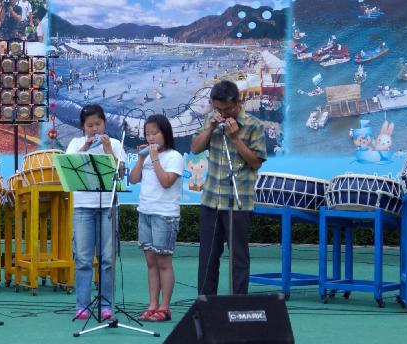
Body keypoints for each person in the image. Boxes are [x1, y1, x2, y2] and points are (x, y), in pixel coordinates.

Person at [191, 80, 266, 295]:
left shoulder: (254, 125)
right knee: (208, 256)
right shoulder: (210, 120)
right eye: (218, 109)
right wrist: (210, 128)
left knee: (238, 257)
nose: (223, 114)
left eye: (227, 109)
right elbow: (195, 148)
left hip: (238, 199)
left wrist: (235, 138)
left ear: (237, 102)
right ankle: (206, 304)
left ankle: (239, 304)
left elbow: (255, 162)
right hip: (211, 199)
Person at [65, 104, 126, 321]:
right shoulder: (75, 143)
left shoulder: (116, 144)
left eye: (98, 124)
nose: (94, 129)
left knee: (107, 259)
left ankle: (106, 304)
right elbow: (67, 165)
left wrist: (107, 149)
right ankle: (82, 304)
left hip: (107, 206)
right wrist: (86, 147)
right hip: (83, 206)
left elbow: (120, 172)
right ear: (83, 126)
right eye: (89, 125)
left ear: (104, 124)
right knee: (82, 258)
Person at [128, 114, 182, 322]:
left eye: (155, 133)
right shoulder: (146, 156)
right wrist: (142, 158)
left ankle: (165, 307)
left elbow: (166, 181)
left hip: (165, 215)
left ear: (165, 134)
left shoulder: (173, 156)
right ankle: (152, 304)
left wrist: (155, 158)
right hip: (146, 212)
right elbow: (133, 180)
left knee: (163, 262)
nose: (150, 138)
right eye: (147, 134)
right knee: (151, 262)